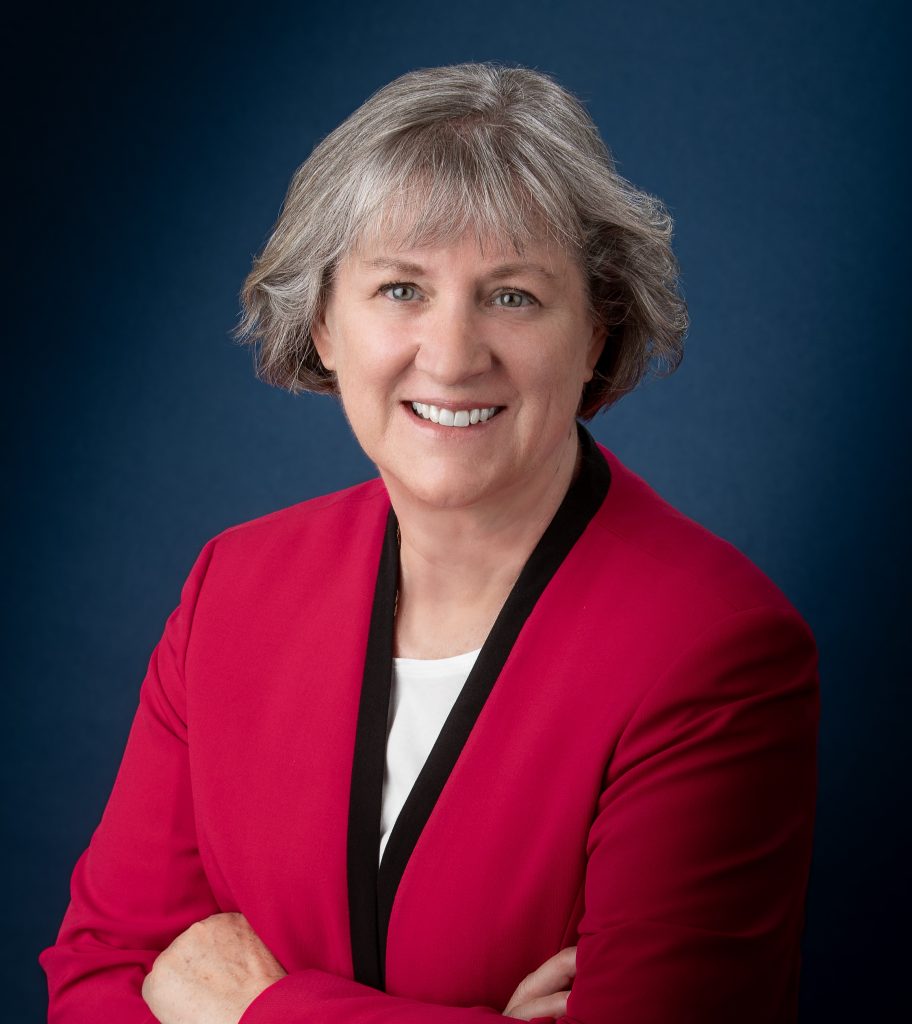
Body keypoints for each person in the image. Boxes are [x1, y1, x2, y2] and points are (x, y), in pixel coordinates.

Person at [40, 63, 819, 1024]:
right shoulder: (233, 589)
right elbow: (100, 976)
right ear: (323, 323)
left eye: (515, 297)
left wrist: (258, 1009)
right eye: (402, 288)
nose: (452, 355)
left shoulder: (712, 647)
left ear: (596, 335)